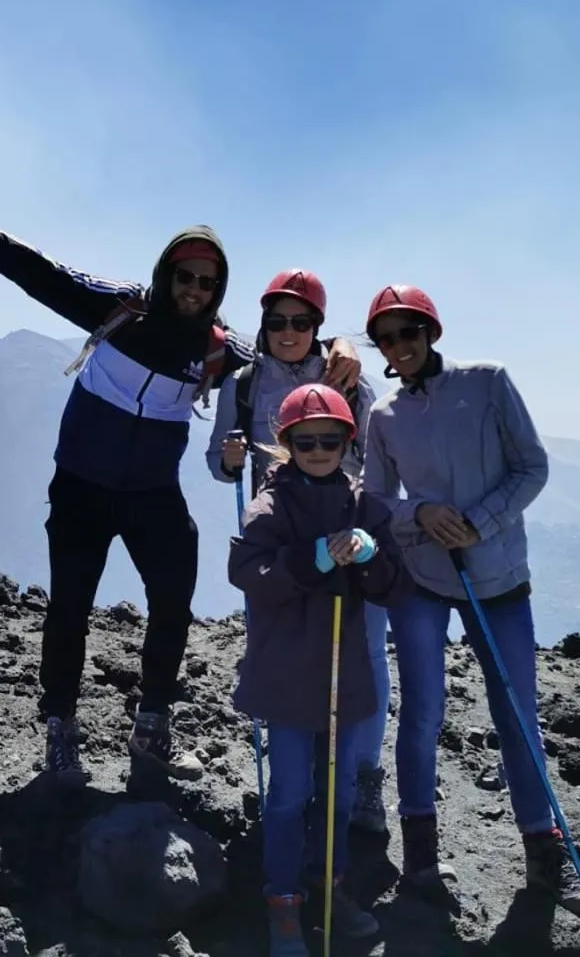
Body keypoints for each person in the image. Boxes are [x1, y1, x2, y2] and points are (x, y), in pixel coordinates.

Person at [0, 194, 364, 783]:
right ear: (166, 272)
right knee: (69, 610)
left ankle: (151, 727)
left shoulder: (218, 348)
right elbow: (39, 273)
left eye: (208, 282)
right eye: (186, 276)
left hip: (152, 494)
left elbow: (286, 352)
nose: (195, 289)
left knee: (173, 604)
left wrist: (343, 347)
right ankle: (60, 730)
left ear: (218, 288)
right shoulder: (119, 307)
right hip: (80, 486)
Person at [359, 284, 580, 918]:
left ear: (430, 331)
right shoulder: (383, 416)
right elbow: (377, 502)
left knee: (518, 716)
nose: (399, 346)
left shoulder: (490, 382)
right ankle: (419, 860)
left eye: (408, 331)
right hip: (423, 576)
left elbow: (533, 467)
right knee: (422, 712)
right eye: (386, 337)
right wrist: (423, 512)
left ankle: (544, 859)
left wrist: (480, 521)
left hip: (496, 577)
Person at [228, 383, 414, 955]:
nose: (317, 448)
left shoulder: (365, 507)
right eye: (304, 440)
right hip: (289, 677)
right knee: (288, 793)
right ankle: (283, 901)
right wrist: (309, 560)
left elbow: (393, 586)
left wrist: (371, 557)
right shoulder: (269, 506)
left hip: (341, 672)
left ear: (346, 440)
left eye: (329, 439)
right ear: (285, 443)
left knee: (332, 794)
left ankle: (325, 889)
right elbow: (247, 575)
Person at [206, 269, 391, 833]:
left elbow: (375, 459)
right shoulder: (244, 381)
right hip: (282, 536)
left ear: (318, 325)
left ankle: (360, 780)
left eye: (302, 321)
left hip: (345, 530)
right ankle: (298, 772)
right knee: (284, 653)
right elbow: (219, 462)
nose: (289, 331)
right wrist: (230, 459)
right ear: (263, 324)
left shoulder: (349, 379)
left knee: (364, 653)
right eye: (277, 321)